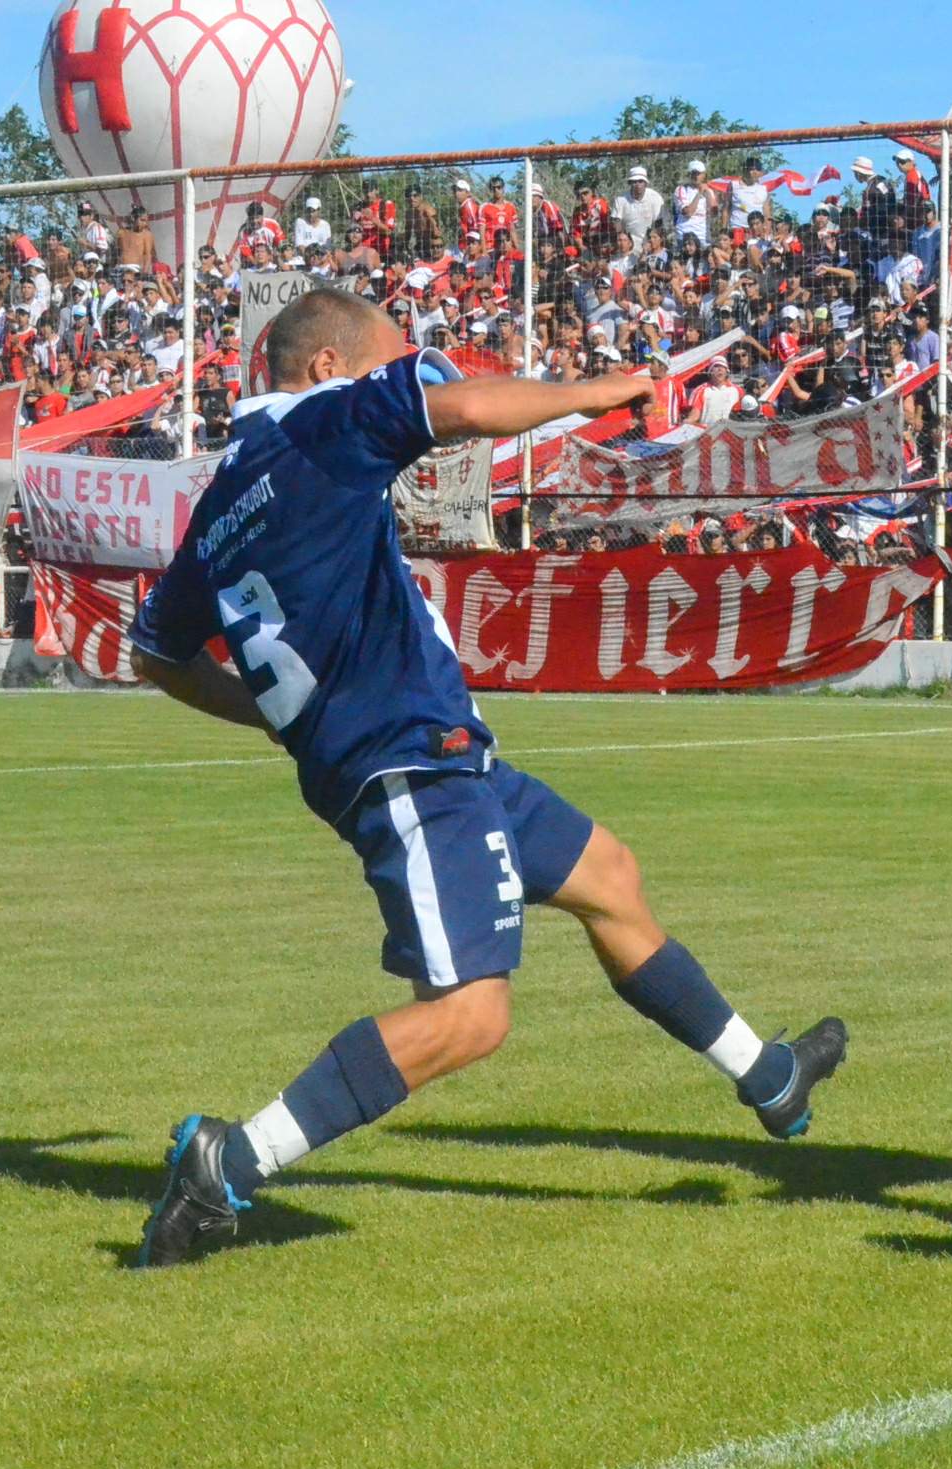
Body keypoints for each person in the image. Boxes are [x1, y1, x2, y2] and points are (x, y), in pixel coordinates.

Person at [126, 288, 848, 1266]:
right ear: (328, 370)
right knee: (470, 1015)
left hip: (431, 757)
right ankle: (235, 1161)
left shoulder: (220, 505)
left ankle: (766, 1076)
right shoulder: (326, 423)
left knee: (610, 878)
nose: (412, 372)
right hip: (410, 767)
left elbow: (155, 653)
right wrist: (600, 392)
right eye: (395, 360)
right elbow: (459, 410)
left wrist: (271, 715)